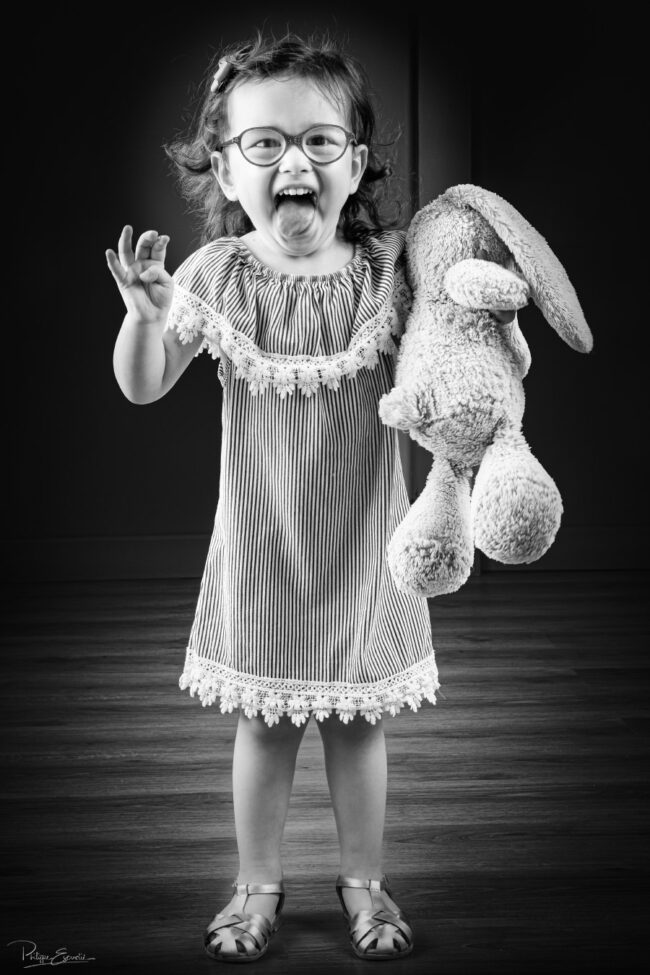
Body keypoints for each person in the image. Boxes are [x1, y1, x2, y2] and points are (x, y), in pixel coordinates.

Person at [107, 31, 514, 964]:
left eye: (319, 142)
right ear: (226, 167)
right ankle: (257, 882)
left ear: (355, 163)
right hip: (262, 542)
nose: (295, 162)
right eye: (265, 144)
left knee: (359, 720)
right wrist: (142, 318)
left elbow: (450, 358)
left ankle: (364, 877)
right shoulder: (219, 276)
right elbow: (144, 383)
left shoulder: (387, 272)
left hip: (365, 539)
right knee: (262, 723)